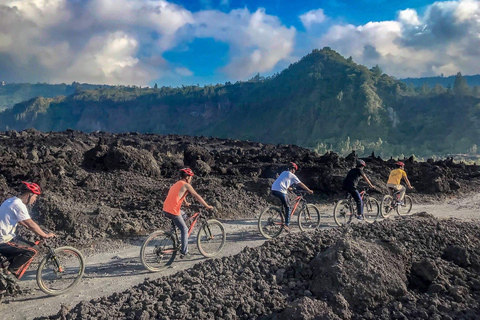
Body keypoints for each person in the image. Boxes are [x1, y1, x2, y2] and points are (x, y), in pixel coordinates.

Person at [0, 182, 55, 281]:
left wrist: (37, 232)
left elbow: (22, 222)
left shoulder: (11, 201)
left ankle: (7, 279)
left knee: (23, 249)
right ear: (29, 194)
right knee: (32, 250)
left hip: (6, 236)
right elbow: (30, 223)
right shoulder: (19, 205)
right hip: (3, 240)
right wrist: (45, 235)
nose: (35, 200)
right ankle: (9, 273)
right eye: (35, 197)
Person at [163, 168, 213, 258]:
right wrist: (206, 205)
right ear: (187, 177)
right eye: (191, 177)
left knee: (183, 215)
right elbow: (196, 196)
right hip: (173, 210)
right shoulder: (186, 185)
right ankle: (184, 252)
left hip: (166, 208)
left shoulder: (178, 183)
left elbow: (179, 194)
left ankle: (173, 233)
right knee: (185, 229)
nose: (191, 179)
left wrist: (185, 203)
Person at [271, 162, 313, 231]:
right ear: (293, 169)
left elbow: (282, 182)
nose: (294, 172)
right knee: (288, 207)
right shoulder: (292, 175)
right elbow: (300, 184)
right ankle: (287, 224)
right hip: (281, 191)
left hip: (273, 189)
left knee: (285, 204)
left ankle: (282, 217)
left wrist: (289, 188)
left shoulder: (284, 173)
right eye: (295, 170)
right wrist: (308, 190)